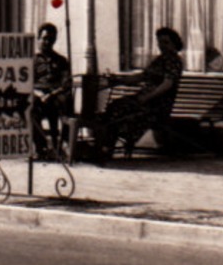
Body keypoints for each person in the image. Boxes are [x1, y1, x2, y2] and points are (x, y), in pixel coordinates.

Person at [92, 26, 185, 161]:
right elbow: (142, 76)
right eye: (159, 42)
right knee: (115, 106)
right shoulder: (160, 60)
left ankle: (106, 148)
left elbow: (167, 84)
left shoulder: (174, 61)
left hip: (157, 104)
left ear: (175, 43)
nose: (161, 46)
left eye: (166, 42)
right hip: (145, 99)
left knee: (119, 109)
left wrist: (147, 97)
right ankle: (104, 147)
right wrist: (119, 80)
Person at [32, 22, 72, 160]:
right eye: (44, 38)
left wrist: (51, 94)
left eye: (50, 39)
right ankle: (41, 147)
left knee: (67, 101)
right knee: (29, 108)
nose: (47, 42)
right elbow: (26, 84)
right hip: (37, 96)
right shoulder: (32, 61)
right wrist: (38, 94)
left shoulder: (61, 61)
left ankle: (62, 144)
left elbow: (66, 83)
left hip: (55, 97)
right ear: (38, 39)